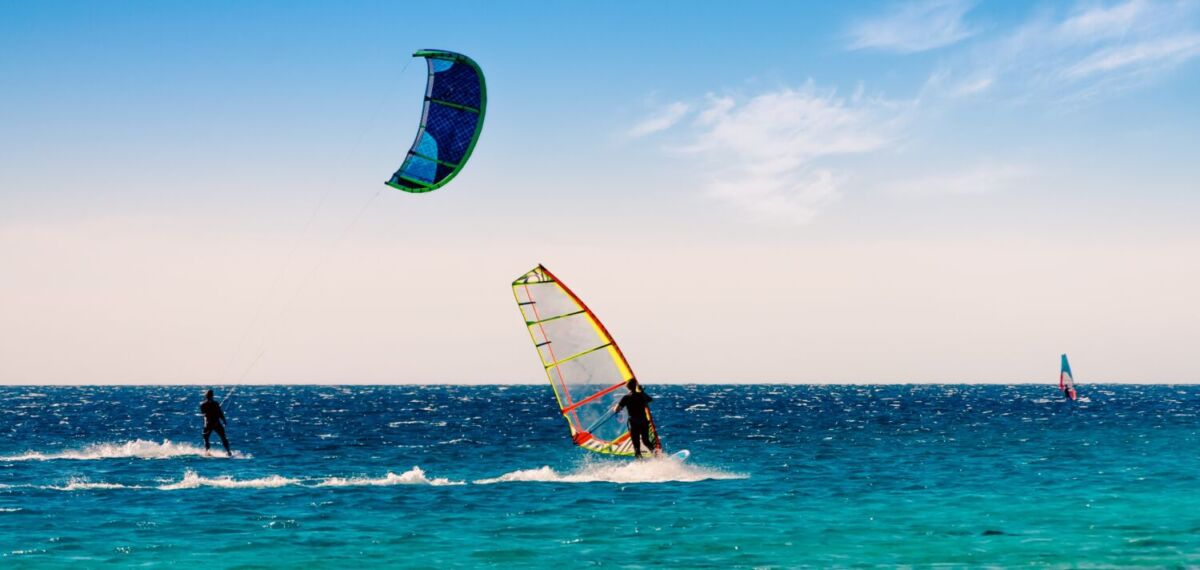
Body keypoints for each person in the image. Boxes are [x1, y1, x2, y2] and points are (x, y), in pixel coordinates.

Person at [614, 378, 657, 459]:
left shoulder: (626, 397)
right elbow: (650, 400)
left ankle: (640, 463)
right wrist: (642, 391)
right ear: (635, 386)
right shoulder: (641, 395)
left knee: (636, 446)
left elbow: (617, 409)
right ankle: (658, 456)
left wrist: (614, 408)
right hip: (643, 422)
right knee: (646, 441)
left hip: (634, 423)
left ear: (628, 387)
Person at [200, 390, 232, 456]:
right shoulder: (211, 404)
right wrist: (224, 420)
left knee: (207, 438)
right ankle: (228, 451)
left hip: (211, 423)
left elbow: (205, 414)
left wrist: (223, 420)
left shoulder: (204, 404)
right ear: (211, 396)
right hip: (213, 423)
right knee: (221, 437)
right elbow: (219, 413)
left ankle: (208, 452)